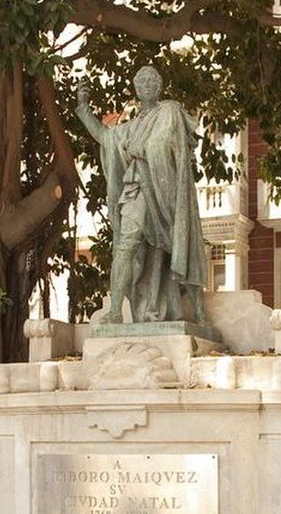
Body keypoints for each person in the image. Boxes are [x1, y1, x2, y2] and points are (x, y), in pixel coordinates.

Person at [76, 66, 208, 325]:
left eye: (152, 80)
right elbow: (105, 136)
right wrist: (83, 108)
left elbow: (171, 145)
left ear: (159, 86)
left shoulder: (170, 111)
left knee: (182, 246)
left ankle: (200, 313)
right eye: (142, 81)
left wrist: (145, 149)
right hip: (136, 190)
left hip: (166, 193)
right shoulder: (131, 127)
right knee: (126, 245)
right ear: (136, 89)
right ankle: (115, 311)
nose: (147, 84)